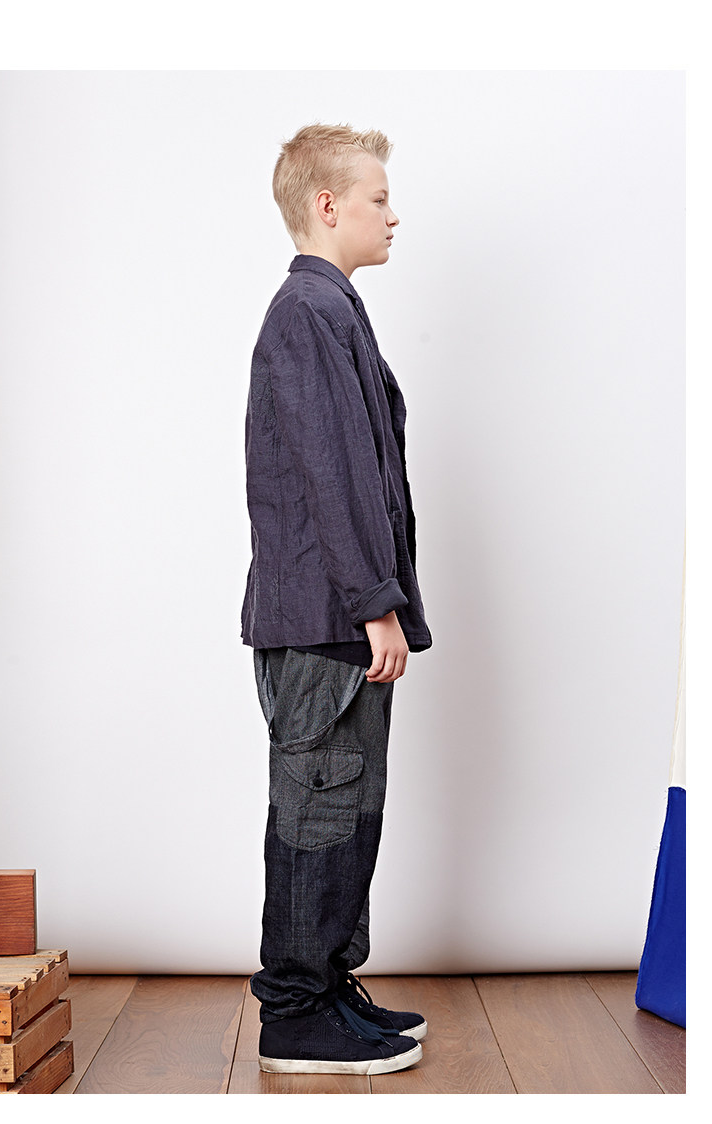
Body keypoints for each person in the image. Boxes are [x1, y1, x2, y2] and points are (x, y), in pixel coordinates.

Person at [241, 123, 432, 1076]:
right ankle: (295, 1012)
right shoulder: (308, 312)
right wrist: (374, 601)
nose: (393, 216)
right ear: (328, 205)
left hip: (334, 617)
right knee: (319, 813)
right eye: (378, 198)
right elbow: (337, 469)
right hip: (326, 621)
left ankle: (325, 987)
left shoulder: (329, 308)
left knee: (347, 810)